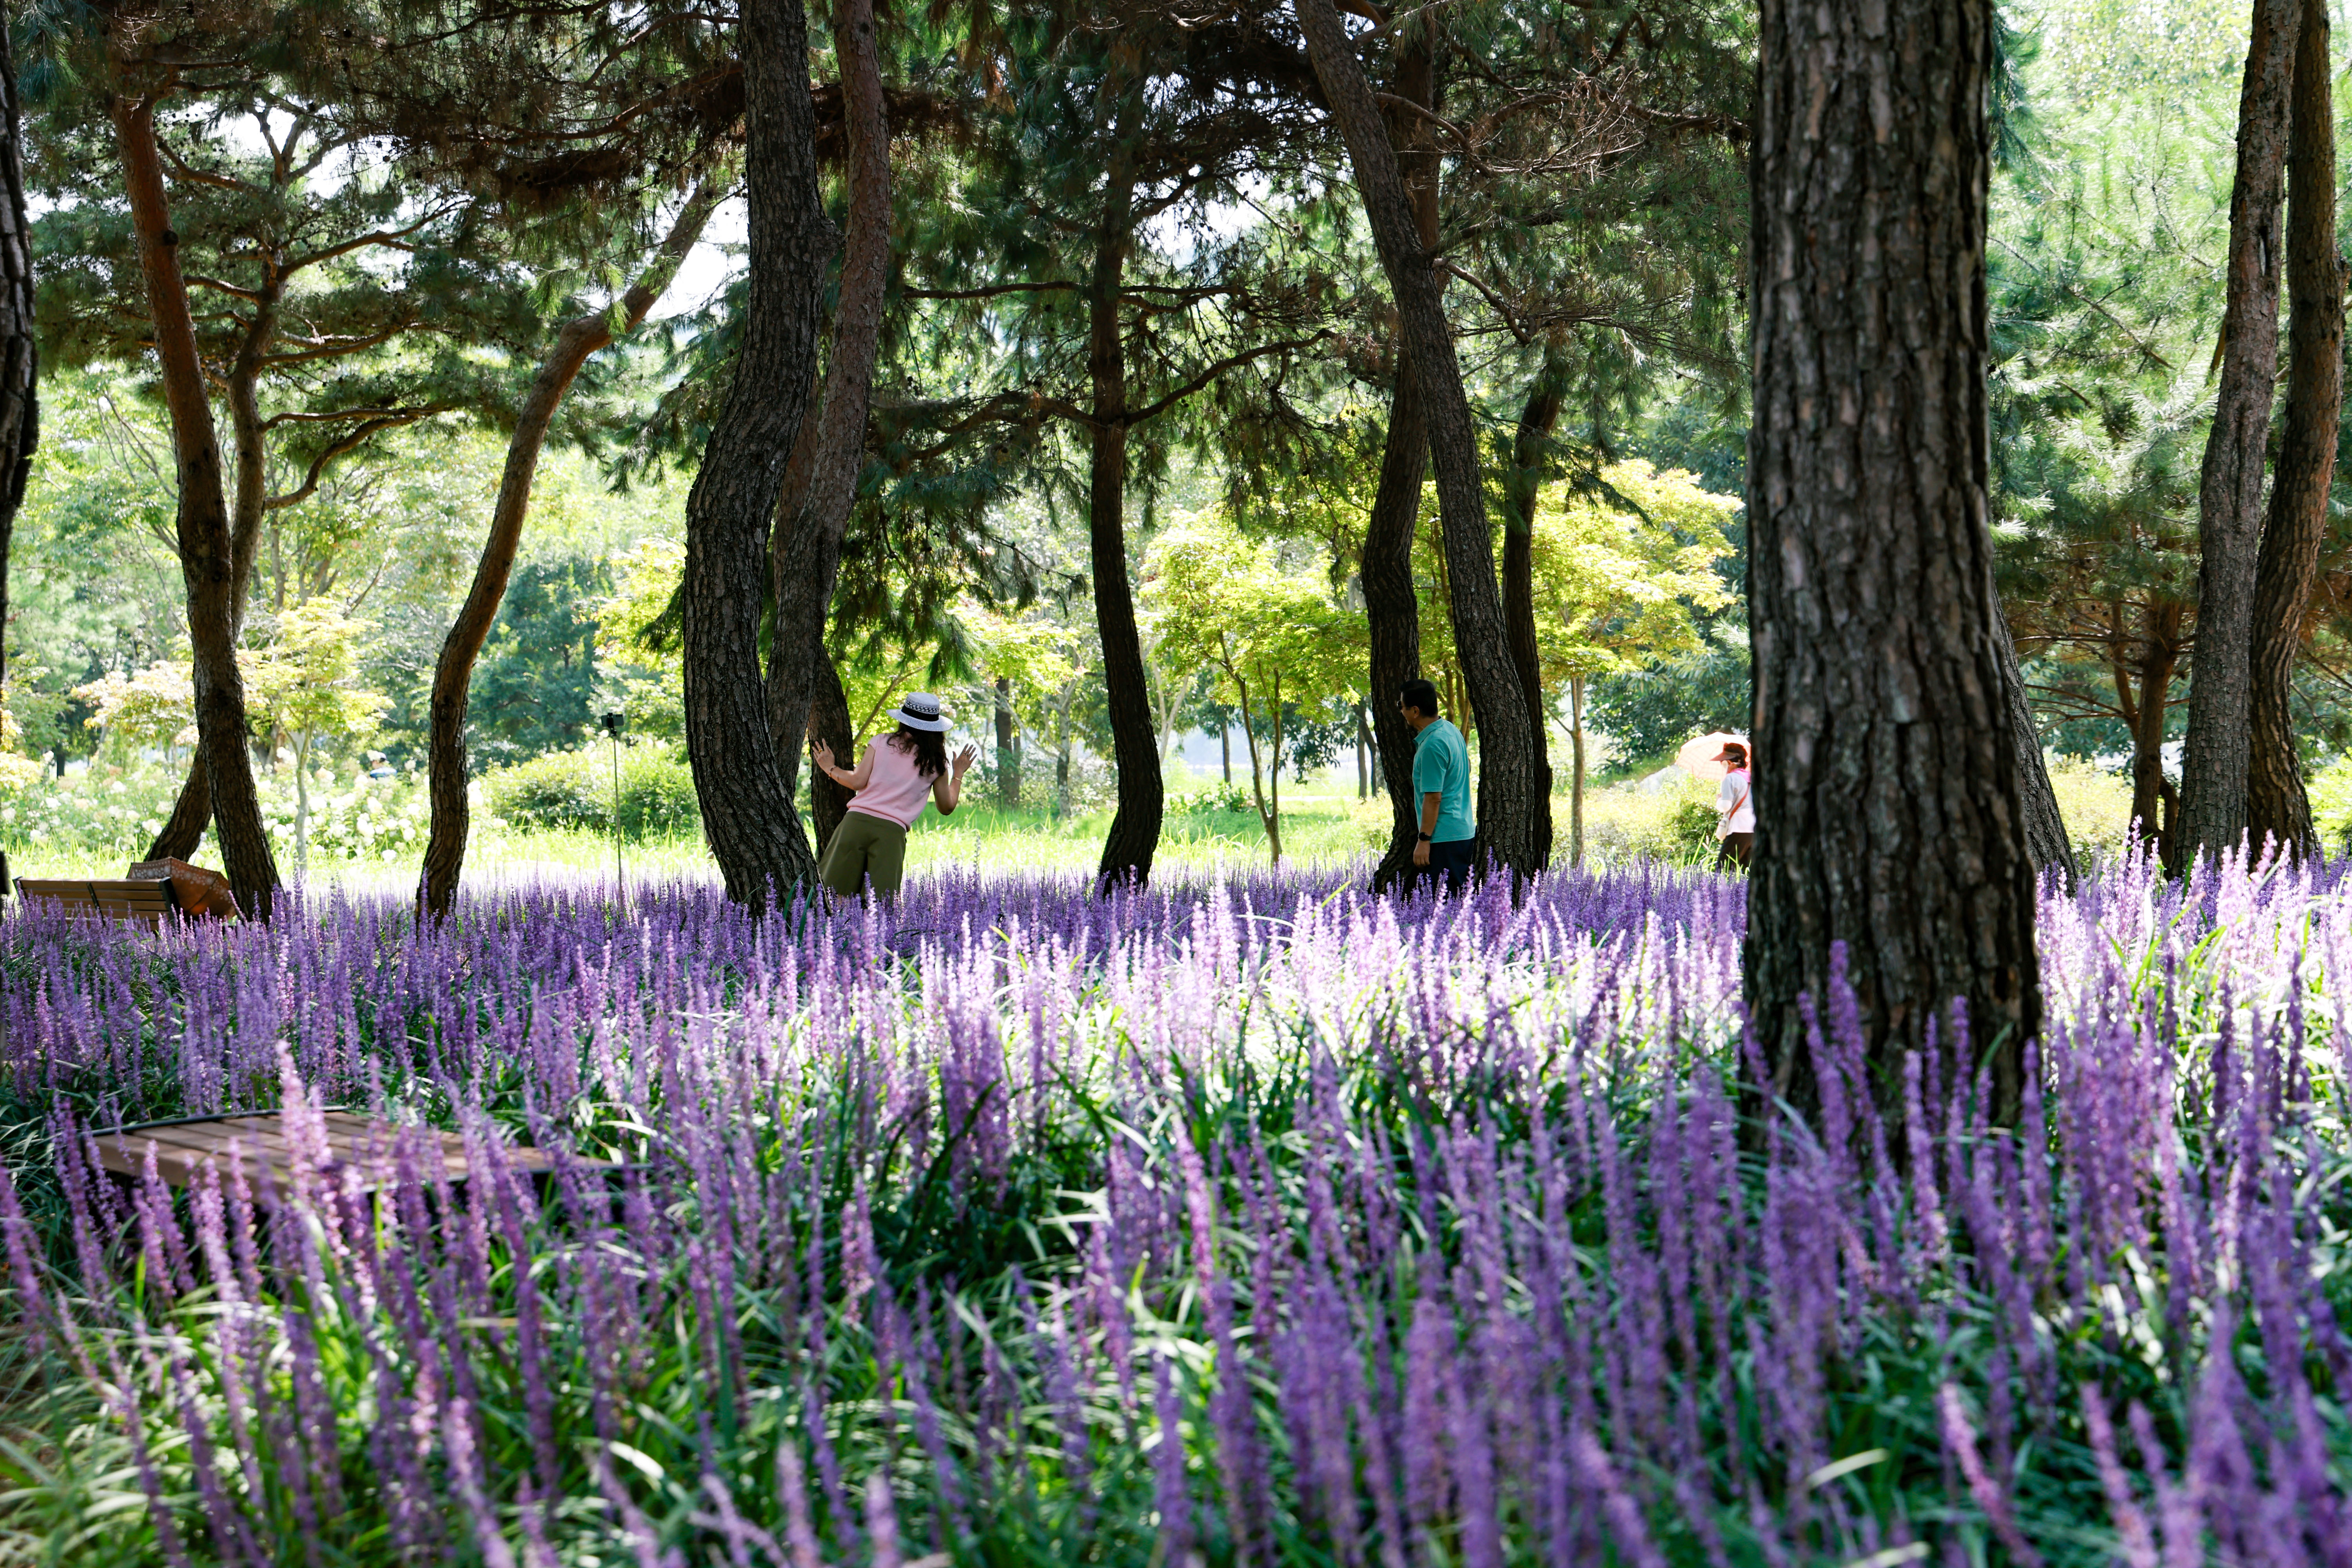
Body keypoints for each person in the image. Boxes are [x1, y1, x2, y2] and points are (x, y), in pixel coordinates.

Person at [809, 692, 977, 898]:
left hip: (855, 824)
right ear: (935, 728)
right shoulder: (937, 762)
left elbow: (857, 781)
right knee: (879, 908)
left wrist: (830, 767)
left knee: (836, 897)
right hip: (891, 833)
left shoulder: (881, 742)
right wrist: (958, 773)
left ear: (904, 720)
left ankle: (833, 932)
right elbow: (947, 807)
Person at [1399, 679, 1477, 894]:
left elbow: (1433, 798)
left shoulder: (1432, 746)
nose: (1401, 712)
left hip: (1443, 839)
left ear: (1415, 711)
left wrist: (1424, 840)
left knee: (1445, 908)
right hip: (1462, 831)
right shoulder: (1450, 730)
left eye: (1401, 706)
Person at [1713, 740, 1754, 870]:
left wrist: (1719, 800)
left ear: (1728, 763)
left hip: (1738, 827)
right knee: (1744, 870)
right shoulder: (1750, 777)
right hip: (1753, 828)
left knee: (1722, 870)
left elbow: (1725, 806)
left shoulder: (1730, 778)